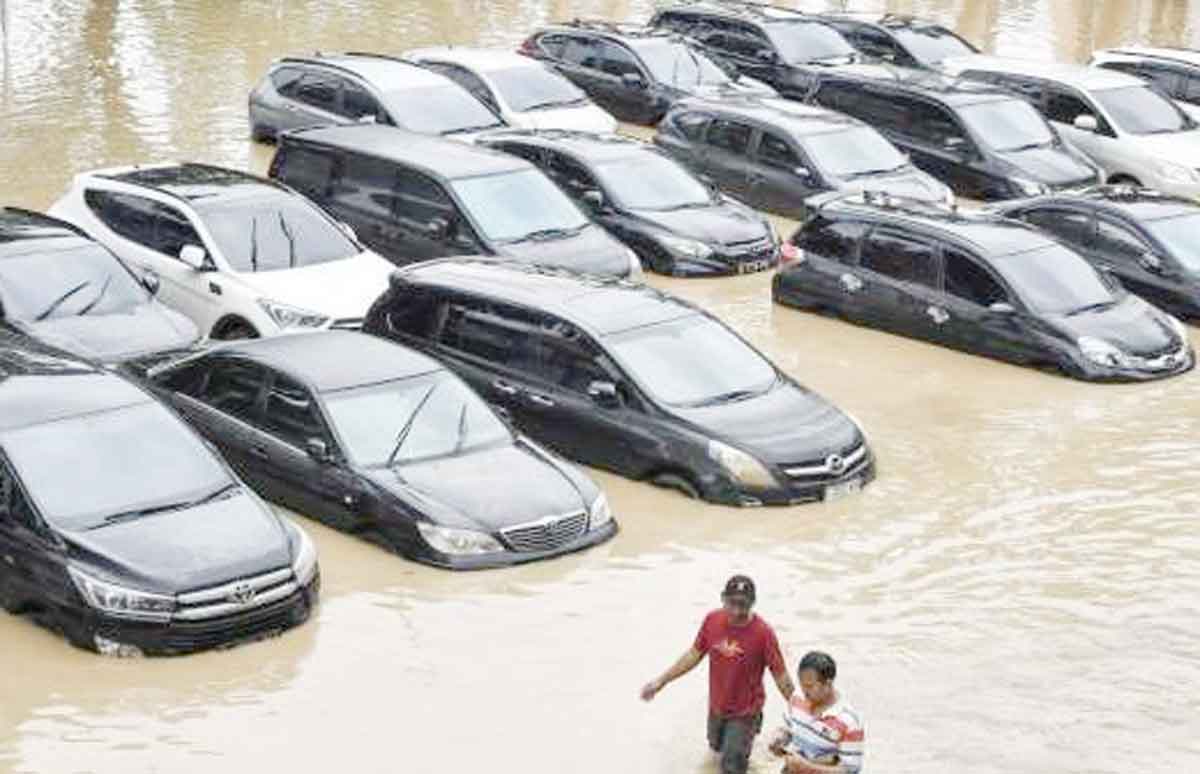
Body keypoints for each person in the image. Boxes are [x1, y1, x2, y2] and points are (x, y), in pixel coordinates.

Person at [640, 575, 795, 774]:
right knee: (715, 751)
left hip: (745, 713)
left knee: (731, 766)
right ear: (723, 598)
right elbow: (693, 655)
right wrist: (661, 681)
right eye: (732, 604)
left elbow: (781, 676)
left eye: (743, 605)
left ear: (753, 603)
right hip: (717, 708)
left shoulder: (764, 634)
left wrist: (802, 710)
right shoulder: (712, 620)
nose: (737, 611)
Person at [768, 651, 864, 774]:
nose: (804, 691)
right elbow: (789, 728)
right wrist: (780, 738)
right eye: (801, 685)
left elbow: (849, 770)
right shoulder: (797, 698)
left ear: (828, 684)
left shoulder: (849, 722)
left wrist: (807, 768)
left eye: (809, 686)